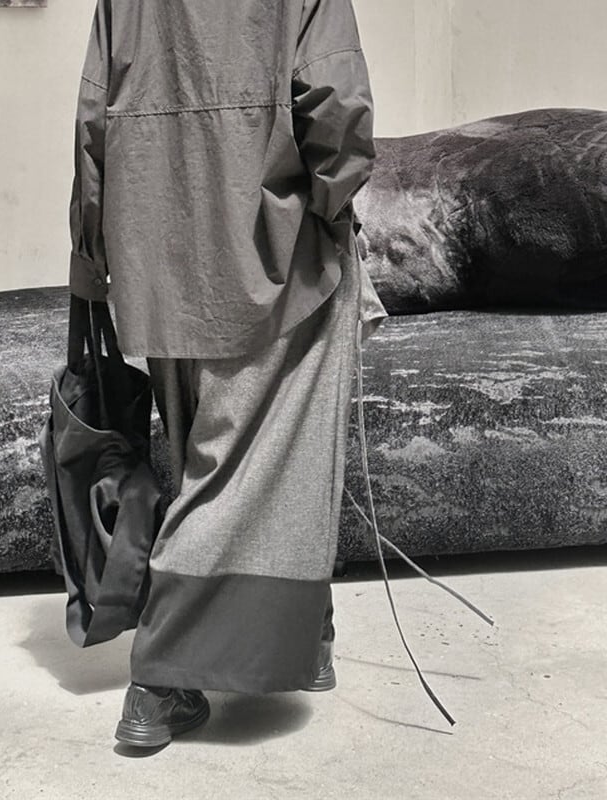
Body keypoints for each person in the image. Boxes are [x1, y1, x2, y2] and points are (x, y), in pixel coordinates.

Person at [67, 0, 388, 748]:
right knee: (236, 475)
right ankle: (160, 681)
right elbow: (336, 105)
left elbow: (93, 115)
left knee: (212, 459)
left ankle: (304, 637)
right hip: (270, 254)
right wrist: (336, 204)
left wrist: (91, 256)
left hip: (157, 250)